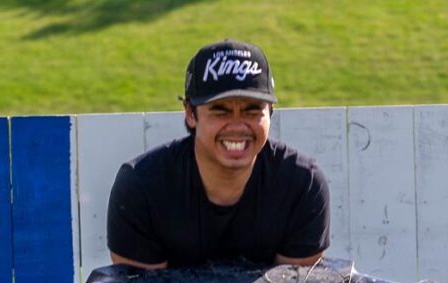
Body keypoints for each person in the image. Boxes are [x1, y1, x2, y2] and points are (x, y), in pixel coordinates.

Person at [107, 39, 331, 269]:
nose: (237, 125)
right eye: (220, 111)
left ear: (270, 113)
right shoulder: (142, 187)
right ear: (190, 114)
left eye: (252, 110)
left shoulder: (302, 184)